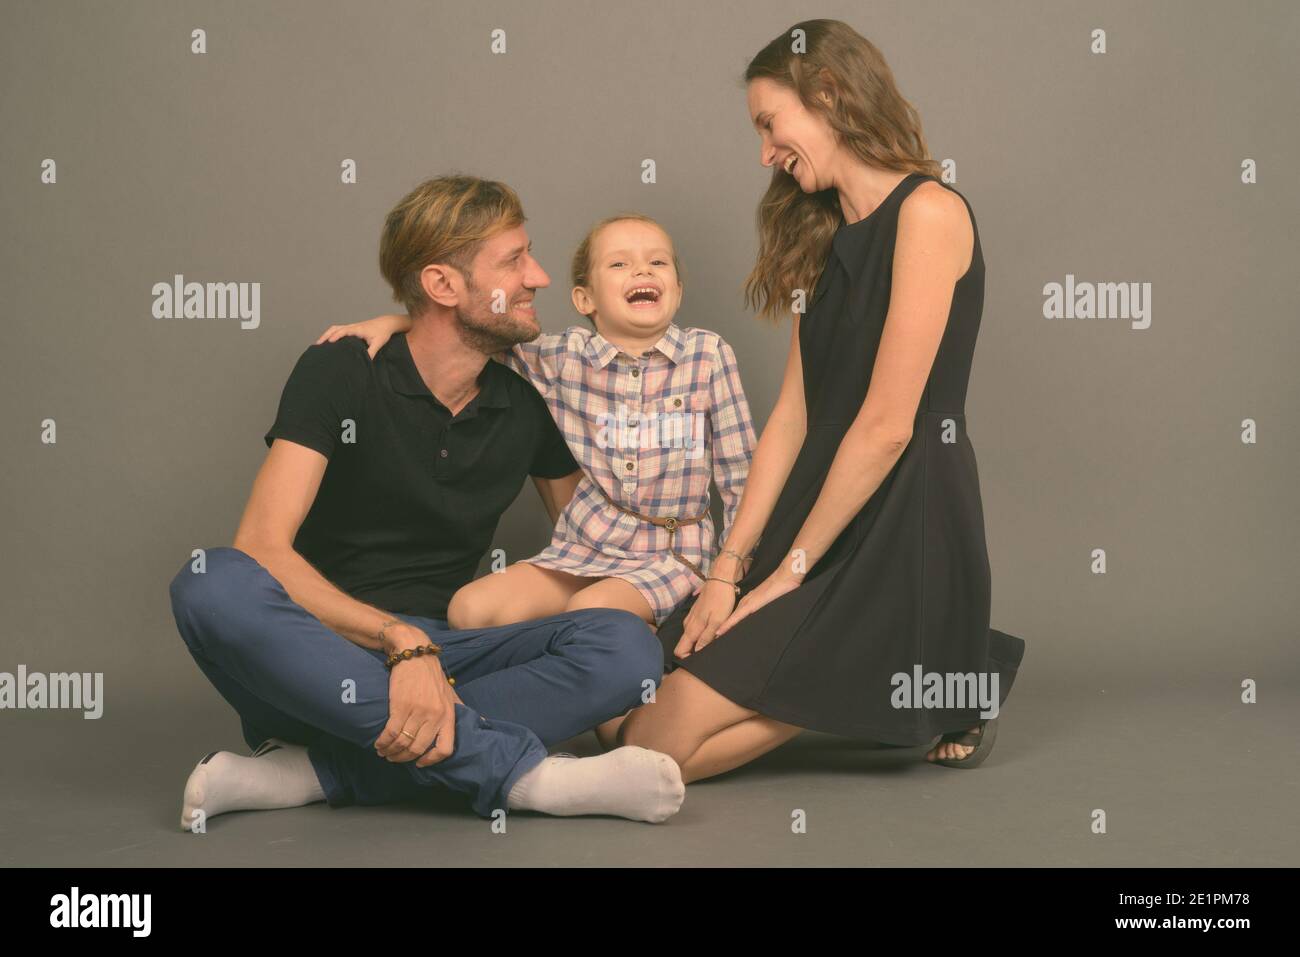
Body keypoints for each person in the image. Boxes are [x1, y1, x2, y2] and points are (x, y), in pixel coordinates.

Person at [168, 174, 686, 828]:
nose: (540, 276)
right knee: (210, 580)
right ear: (443, 286)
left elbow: (598, 549)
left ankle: (313, 770)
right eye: (514, 261)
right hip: (316, 654)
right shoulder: (341, 371)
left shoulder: (526, 406)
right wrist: (399, 643)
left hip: (450, 659)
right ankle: (526, 777)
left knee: (627, 648)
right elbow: (263, 547)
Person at [611, 19, 1029, 782]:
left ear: (828, 95)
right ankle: (914, 670)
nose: (764, 151)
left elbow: (885, 427)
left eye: (770, 124)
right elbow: (793, 419)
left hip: (901, 514)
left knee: (651, 742)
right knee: (618, 701)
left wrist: (787, 575)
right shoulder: (826, 232)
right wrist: (729, 567)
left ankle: (937, 667)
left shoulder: (929, 213)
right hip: (819, 503)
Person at [317, 213, 758, 637]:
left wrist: (732, 572)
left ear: (677, 291)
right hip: (586, 549)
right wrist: (397, 322)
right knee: (469, 609)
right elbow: (467, 330)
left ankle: (644, 664)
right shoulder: (559, 358)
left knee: (591, 614)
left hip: (673, 553)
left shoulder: (708, 354)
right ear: (585, 299)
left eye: (658, 262)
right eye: (620, 263)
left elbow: (741, 474)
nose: (642, 270)